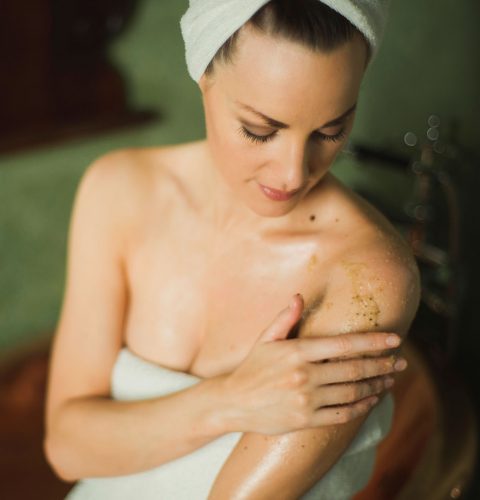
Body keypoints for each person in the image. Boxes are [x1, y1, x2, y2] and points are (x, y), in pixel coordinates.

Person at [44, 0, 419, 498]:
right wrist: (231, 400)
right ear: (204, 74)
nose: (293, 173)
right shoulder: (118, 190)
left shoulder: (366, 274)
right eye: (259, 131)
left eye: (331, 131)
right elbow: (67, 447)